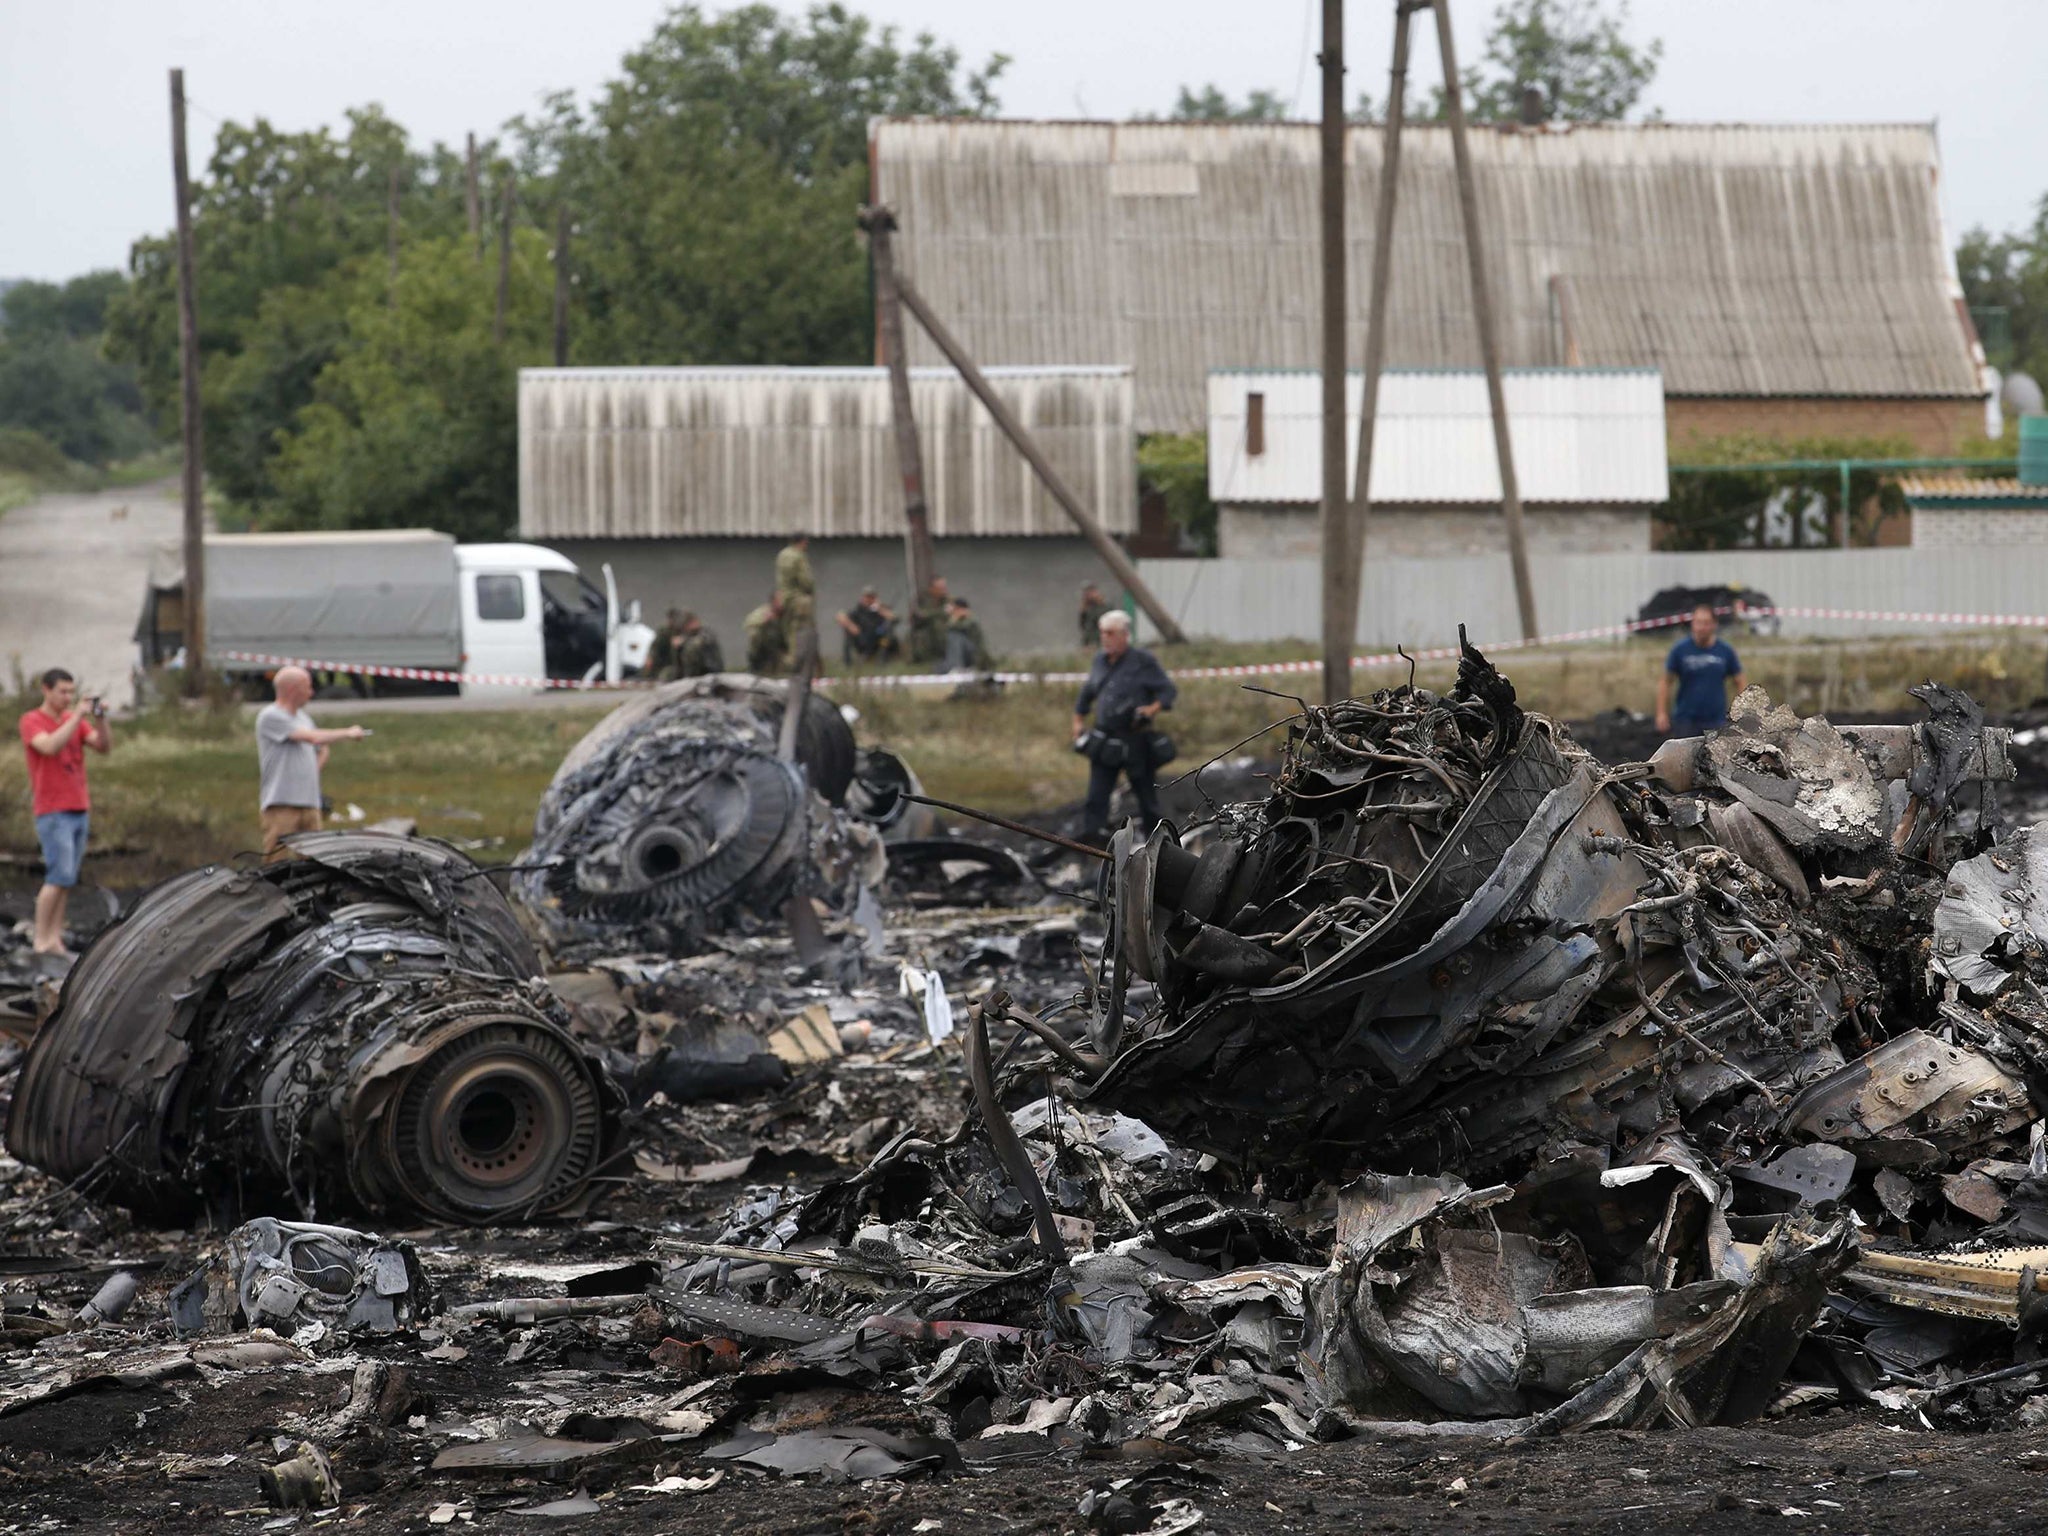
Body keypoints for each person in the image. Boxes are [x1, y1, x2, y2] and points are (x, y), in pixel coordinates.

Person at [18, 668, 112, 957]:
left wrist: (100, 718)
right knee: (57, 876)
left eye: (71, 692)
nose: (68, 698)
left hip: (78, 807)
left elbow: (103, 746)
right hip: (52, 809)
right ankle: (40, 939)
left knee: (68, 878)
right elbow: (49, 746)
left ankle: (54, 939)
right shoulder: (32, 720)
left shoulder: (74, 721)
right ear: (46, 690)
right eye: (62, 691)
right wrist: (78, 718)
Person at [1072, 611, 1177, 840]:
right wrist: (1078, 720)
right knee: (1096, 797)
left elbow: (1168, 691)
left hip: (1135, 739)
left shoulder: (1143, 661)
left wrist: (1151, 709)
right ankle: (1094, 843)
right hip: (1105, 740)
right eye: (1102, 633)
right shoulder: (1099, 660)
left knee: (1146, 796)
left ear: (1124, 635)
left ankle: (1158, 841)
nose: (1105, 638)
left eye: (1110, 633)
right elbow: (1088, 692)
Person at [257, 665, 366, 859]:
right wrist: (347, 733)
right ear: (292, 690)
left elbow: (322, 749)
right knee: (276, 859)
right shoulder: (271, 716)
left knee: (315, 860)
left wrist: (309, 773)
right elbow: (312, 738)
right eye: (307, 687)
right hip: (282, 803)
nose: (312, 692)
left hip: (309, 802)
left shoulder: (304, 718)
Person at [1656, 601, 1747, 736]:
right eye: (1698, 622)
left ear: (1714, 624)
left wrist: (1743, 713)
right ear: (1692, 624)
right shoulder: (1680, 650)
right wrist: (1661, 713)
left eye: (1706, 623)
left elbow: (1740, 681)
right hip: (1685, 721)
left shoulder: (1725, 651)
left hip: (1716, 721)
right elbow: (1665, 681)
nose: (1701, 628)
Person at [836, 587, 900, 664]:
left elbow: (895, 618)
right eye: (867, 597)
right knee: (847, 631)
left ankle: (883, 659)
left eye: (871, 597)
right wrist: (850, 625)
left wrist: (879, 609)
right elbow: (840, 616)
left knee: (887, 630)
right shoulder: (858, 611)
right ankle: (847, 662)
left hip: (879, 641)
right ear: (862, 598)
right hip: (863, 640)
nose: (869, 600)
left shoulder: (881, 609)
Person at [774, 535, 816, 652]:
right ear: (801, 542)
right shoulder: (798, 556)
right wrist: (810, 591)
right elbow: (806, 580)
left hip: (784, 598)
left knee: (787, 630)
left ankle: (788, 657)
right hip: (798, 600)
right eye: (806, 543)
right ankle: (797, 659)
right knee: (801, 632)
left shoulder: (782, 555)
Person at [908, 575, 950, 664]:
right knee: (936, 624)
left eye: (944, 587)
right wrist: (939, 612)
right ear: (932, 589)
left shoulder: (947, 599)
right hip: (923, 628)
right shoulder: (922, 599)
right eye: (941, 588)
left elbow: (950, 612)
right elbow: (920, 615)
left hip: (943, 629)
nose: (944, 590)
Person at [942, 596, 991, 673]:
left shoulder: (970, 621)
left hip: (975, 655)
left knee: (955, 637)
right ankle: (954, 667)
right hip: (965, 655)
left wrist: (954, 618)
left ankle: (957, 667)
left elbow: (955, 627)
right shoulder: (957, 621)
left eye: (955, 609)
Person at [744, 593, 789, 675]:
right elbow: (748, 624)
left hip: (778, 654)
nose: (783, 603)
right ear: (774, 601)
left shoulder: (785, 616)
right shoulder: (763, 612)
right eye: (780, 601)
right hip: (761, 653)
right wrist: (764, 621)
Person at [675, 611, 725, 677]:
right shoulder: (687, 635)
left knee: (691, 649)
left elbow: (700, 641)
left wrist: (684, 641)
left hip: (710, 670)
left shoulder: (706, 632)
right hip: (696, 672)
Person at [1078, 583, 1112, 648]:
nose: (1089, 595)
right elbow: (1083, 625)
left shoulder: (1105, 606)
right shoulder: (1087, 608)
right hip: (1088, 641)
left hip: (1101, 640)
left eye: (1091, 592)